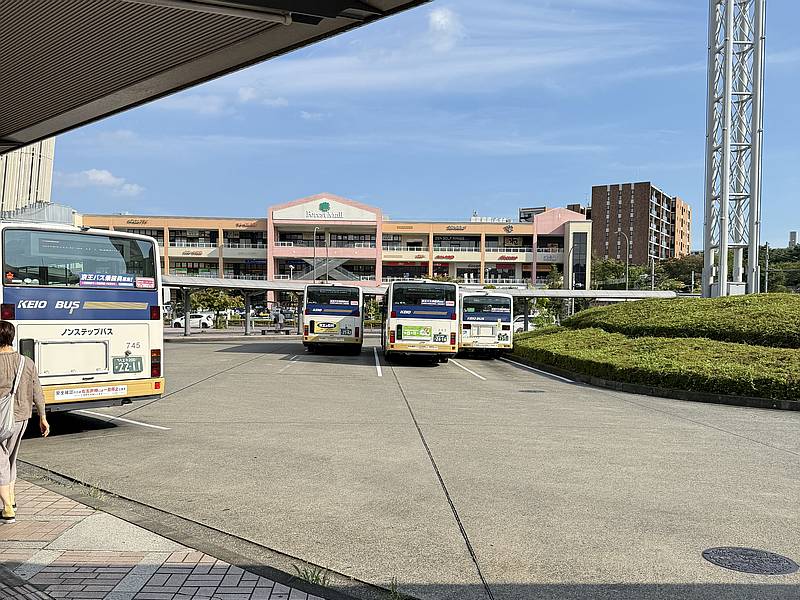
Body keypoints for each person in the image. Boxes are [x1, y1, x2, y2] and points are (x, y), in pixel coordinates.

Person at [0, 321, 49, 524]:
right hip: (21, 417)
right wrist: (43, 416)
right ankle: (11, 499)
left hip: (1, 418)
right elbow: (37, 391)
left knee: (1, 461)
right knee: (10, 459)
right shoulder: (26, 362)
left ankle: (8, 508)